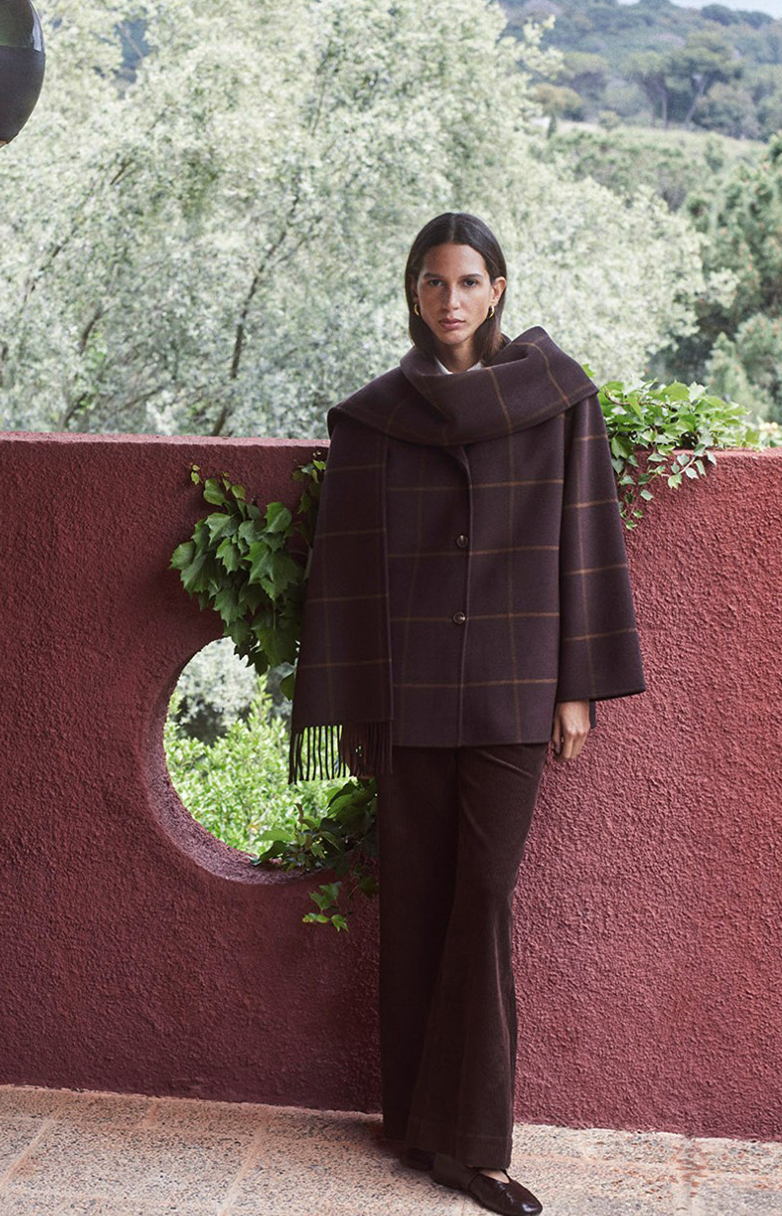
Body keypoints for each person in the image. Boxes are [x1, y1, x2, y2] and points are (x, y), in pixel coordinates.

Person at [287, 211, 646, 1216]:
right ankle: (412, 1122)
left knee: (481, 897)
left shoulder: (557, 397)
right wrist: (356, 702)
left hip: (510, 688)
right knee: (414, 901)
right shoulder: (375, 417)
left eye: (469, 282)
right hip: (406, 696)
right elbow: (347, 565)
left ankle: (473, 1146)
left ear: (499, 290)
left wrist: (575, 683)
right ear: (413, 292)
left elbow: (585, 538)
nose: (452, 300)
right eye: (434, 282)